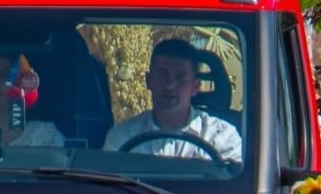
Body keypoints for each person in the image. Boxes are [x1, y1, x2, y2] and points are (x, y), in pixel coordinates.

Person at [104, 38, 242, 163]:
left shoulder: (222, 138)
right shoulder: (122, 138)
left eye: (180, 77)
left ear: (195, 87)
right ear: (148, 80)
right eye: (163, 75)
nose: (170, 85)